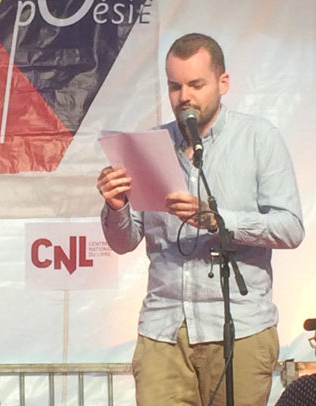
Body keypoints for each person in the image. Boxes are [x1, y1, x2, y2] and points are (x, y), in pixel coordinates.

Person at [97, 32, 305, 406]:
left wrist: (217, 220)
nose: (184, 97)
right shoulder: (149, 145)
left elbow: (290, 228)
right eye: (174, 86)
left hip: (240, 327)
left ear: (223, 83)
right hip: (164, 331)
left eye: (196, 85)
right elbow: (124, 242)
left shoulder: (258, 138)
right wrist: (116, 207)